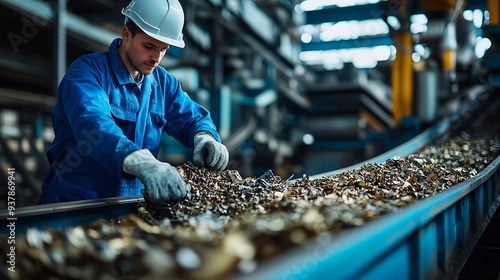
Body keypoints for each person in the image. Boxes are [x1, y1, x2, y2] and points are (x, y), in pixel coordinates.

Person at [39, 0, 229, 204]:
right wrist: (142, 162)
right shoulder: (87, 73)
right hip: (77, 201)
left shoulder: (164, 84)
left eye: (163, 49)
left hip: (133, 203)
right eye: (149, 46)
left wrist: (206, 137)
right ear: (126, 34)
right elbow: (93, 124)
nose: (156, 57)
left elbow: (192, 118)